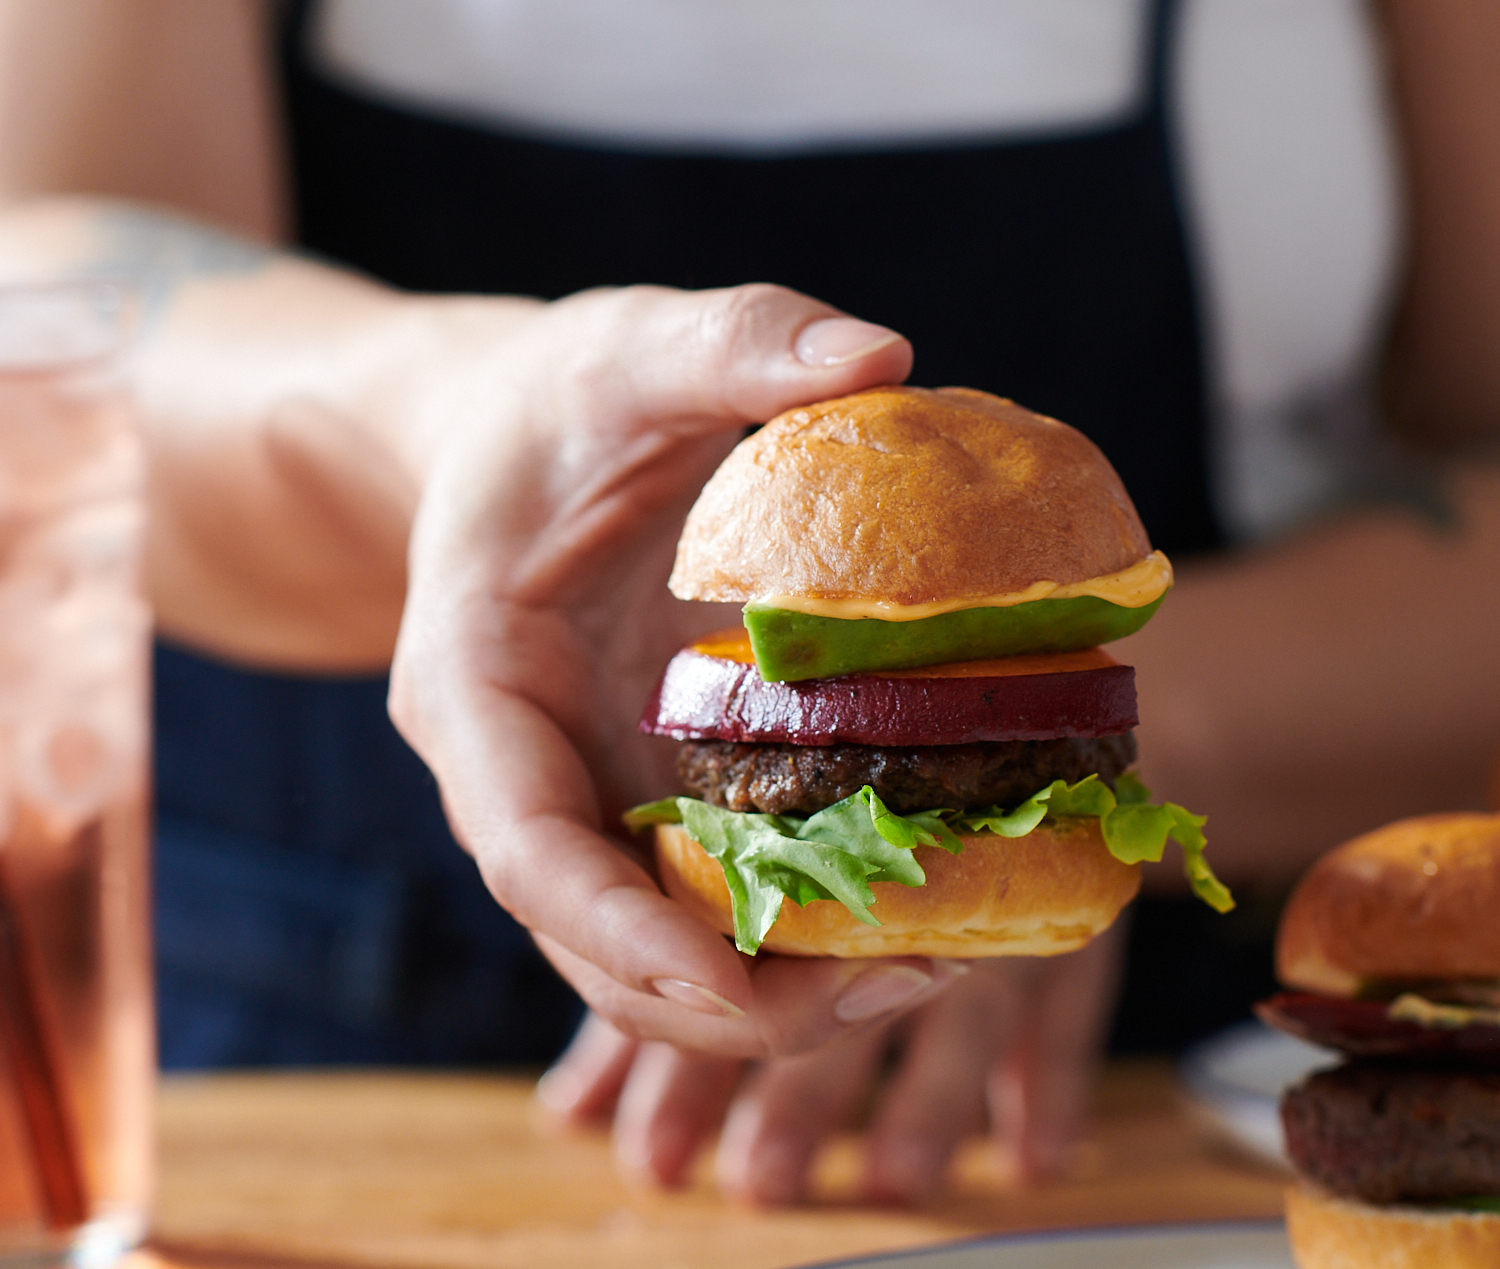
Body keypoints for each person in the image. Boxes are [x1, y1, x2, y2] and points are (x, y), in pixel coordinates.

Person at [2, 0, 1500, 1205]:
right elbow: (49, 294)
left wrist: (1037, 756)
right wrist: (451, 415)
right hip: (302, 1097)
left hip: (1169, 1126)